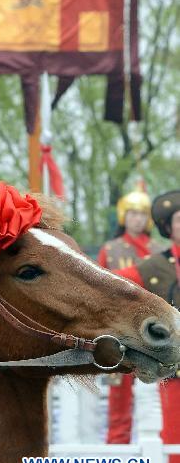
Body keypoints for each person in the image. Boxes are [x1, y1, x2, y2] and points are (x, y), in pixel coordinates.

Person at [116, 190, 180, 463]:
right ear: (169, 228)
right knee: (174, 440)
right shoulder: (155, 265)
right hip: (176, 370)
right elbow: (113, 282)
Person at [98, 183, 152, 444]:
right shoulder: (110, 250)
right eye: (132, 213)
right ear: (123, 216)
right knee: (118, 401)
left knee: (154, 403)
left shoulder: (158, 252)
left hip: (151, 333)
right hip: (119, 334)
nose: (137, 219)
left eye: (142, 214)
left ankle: (154, 461)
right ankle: (116, 458)